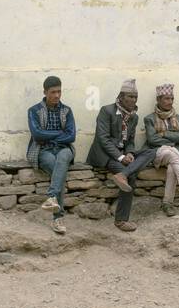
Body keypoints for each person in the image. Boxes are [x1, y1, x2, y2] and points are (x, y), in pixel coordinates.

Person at [85, 79, 155, 232]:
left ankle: (122, 174)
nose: (133, 100)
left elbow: (130, 140)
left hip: (122, 153)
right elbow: (102, 139)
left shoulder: (134, 117)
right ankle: (121, 220)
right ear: (121, 96)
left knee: (151, 151)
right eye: (130, 96)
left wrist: (129, 152)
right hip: (105, 155)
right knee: (132, 176)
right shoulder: (107, 111)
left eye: (135, 97)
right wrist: (121, 157)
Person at [27, 75, 76, 235]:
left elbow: (71, 136)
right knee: (59, 170)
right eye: (53, 92)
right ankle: (57, 218)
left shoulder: (67, 110)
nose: (56, 95)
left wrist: (48, 134)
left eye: (59, 92)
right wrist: (58, 133)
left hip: (64, 148)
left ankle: (51, 197)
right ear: (45, 92)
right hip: (43, 150)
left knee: (62, 159)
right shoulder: (34, 111)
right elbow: (37, 135)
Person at [144, 83, 179, 217]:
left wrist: (164, 134)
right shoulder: (149, 118)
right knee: (172, 153)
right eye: (166, 99)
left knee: (173, 165)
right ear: (159, 100)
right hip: (159, 152)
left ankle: (167, 204)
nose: (170, 101)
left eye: (172, 98)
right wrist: (173, 140)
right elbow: (152, 140)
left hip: (174, 155)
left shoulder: (178, 118)